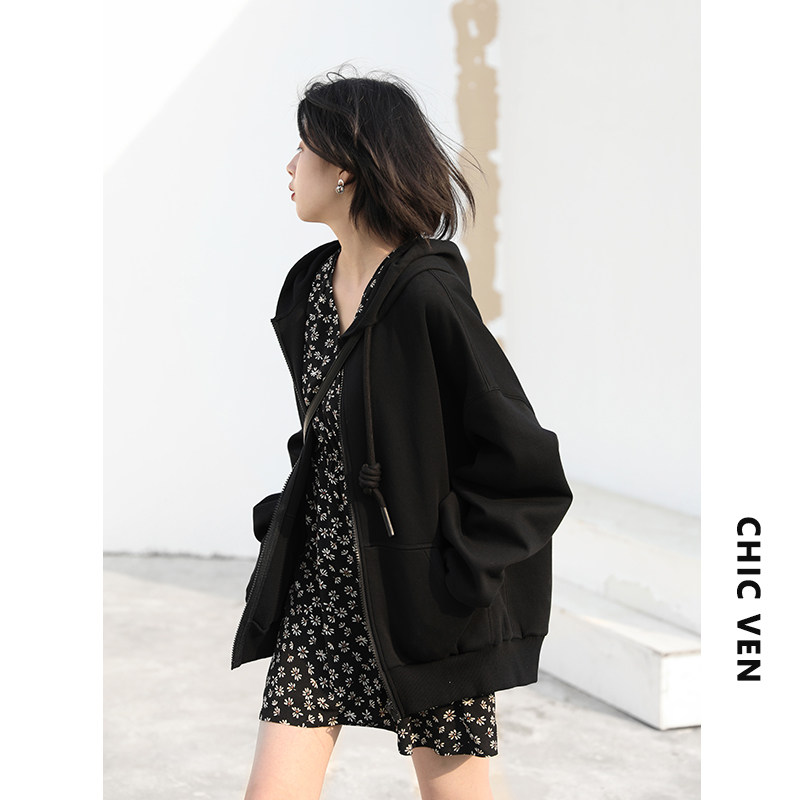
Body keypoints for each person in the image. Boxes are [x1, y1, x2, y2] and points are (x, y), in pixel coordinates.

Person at [232, 69, 572, 800]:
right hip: (323, 590)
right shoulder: (310, 290)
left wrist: (457, 574)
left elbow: (527, 466)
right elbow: (335, 430)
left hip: (424, 605)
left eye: (302, 149)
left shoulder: (426, 295)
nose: (290, 166)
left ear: (345, 168)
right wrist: (290, 517)